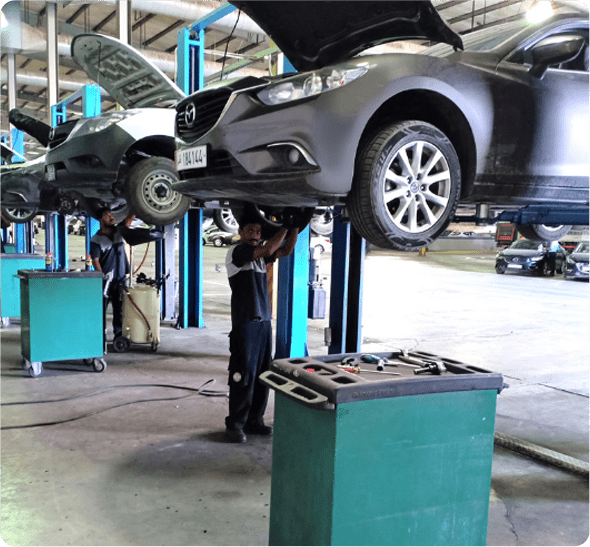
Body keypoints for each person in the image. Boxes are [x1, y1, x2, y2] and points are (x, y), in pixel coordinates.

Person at [224, 214, 299, 443]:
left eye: (257, 232)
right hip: (245, 323)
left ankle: (255, 420)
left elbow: (286, 250)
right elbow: (268, 249)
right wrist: (286, 225)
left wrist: (296, 226)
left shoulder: (259, 258)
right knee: (243, 374)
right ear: (240, 233)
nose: (255, 235)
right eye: (250, 231)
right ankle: (235, 424)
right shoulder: (238, 252)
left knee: (263, 374)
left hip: (264, 323)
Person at [90, 208, 135, 340]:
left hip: (120, 280)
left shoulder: (119, 231)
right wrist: (101, 276)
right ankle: (100, 335)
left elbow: (128, 220)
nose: (111, 218)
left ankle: (119, 334)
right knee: (101, 309)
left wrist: (135, 207)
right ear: (100, 219)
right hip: (106, 281)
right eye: (107, 216)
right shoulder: (96, 240)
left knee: (119, 309)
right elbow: (95, 260)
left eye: (111, 215)